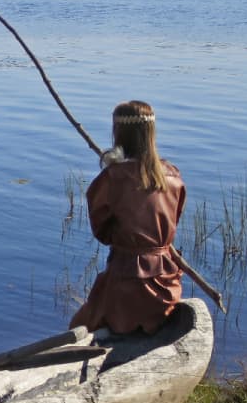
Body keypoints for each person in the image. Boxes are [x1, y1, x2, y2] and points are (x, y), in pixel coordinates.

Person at [69, 100, 187, 335]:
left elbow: (101, 231)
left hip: (127, 284)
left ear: (118, 133)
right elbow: (173, 218)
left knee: (78, 327)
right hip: (166, 283)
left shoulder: (114, 177)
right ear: (151, 133)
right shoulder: (173, 176)